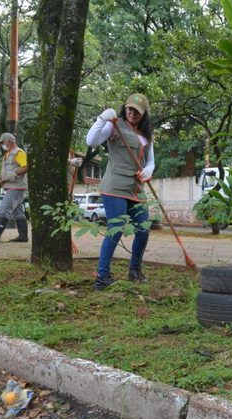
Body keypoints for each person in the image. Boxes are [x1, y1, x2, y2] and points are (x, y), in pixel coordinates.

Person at [86, 93, 155, 290]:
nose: (132, 113)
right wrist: (101, 119)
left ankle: (135, 271)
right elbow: (92, 141)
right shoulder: (114, 125)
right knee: (116, 229)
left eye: (137, 111)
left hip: (136, 189)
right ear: (125, 107)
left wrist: (148, 171)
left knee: (143, 229)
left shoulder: (147, 135)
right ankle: (102, 276)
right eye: (130, 108)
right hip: (115, 187)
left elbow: (150, 161)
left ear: (144, 114)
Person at [0, 133, 29, 243]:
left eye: (2, 142)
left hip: (16, 187)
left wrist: (14, 174)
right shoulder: (7, 155)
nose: (1, 144)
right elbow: (7, 172)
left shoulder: (18, 153)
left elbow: (26, 167)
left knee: (4, 209)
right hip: (11, 186)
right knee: (18, 212)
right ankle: (23, 236)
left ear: (10, 141)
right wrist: (0, 180)